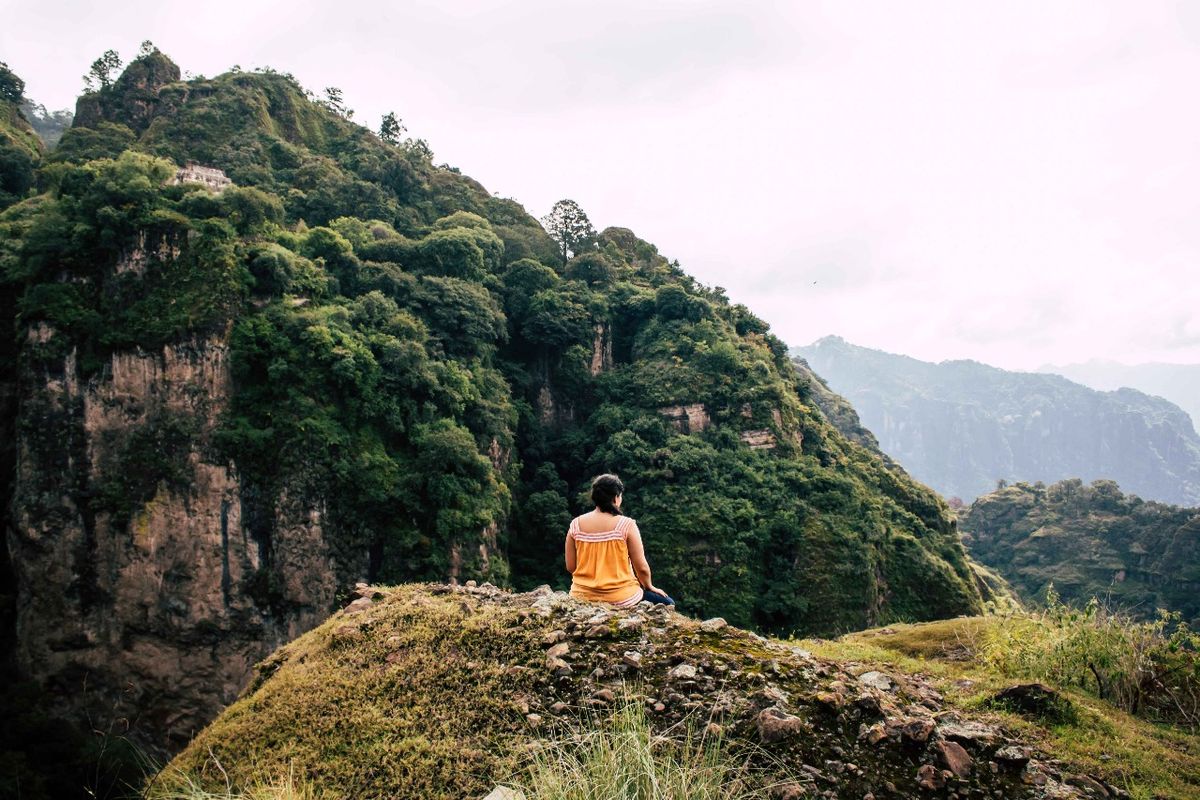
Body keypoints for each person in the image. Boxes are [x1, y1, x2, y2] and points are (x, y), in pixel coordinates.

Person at [565, 473, 675, 608]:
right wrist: (649, 586)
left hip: (581, 596)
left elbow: (571, 566)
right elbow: (641, 567)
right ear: (616, 498)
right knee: (669, 603)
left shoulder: (575, 525)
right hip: (621, 597)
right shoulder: (626, 525)